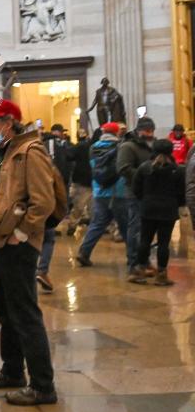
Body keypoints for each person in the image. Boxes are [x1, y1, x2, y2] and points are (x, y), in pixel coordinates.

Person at [0, 99, 56, 406]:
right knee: (6, 312)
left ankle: (43, 385)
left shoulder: (30, 152)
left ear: (8, 123)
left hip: (17, 245)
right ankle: (12, 371)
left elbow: (43, 202)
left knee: (24, 313)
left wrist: (20, 233)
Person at [76, 122, 134, 268]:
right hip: (118, 191)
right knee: (126, 226)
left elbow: (94, 167)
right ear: (116, 133)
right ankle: (133, 258)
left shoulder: (93, 148)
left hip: (99, 191)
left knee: (97, 224)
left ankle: (84, 252)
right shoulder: (121, 147)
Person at [129, 139, 184, 286]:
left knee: (145, 240)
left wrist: (145, 199)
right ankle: (161, 275)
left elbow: (136, 189)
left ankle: (139, 272)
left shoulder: (144, 168)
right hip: (168, 210)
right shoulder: (177, 170)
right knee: (164, 244)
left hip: (148, 209)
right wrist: (175, 204)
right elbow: (181, 193)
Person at [35, 124, 72, 293]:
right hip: (46, 206)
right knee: (48, 239)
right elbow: (60, 185)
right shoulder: (50, 163)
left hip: (28, 209)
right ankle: (42, 270)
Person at [117, 117, 156, 276]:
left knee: (147, 230)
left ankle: (145, 260)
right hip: (135, 193)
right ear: (139, 130)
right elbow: (123, 168)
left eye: (152, 131)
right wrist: (146, 175)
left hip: (150, 193)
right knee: (136, 229)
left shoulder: (151, 145)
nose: (150, 134)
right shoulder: (128, 146)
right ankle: (134, 262)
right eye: (147, 131)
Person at [63, 128, 93, 236]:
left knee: (78, 206)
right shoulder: (93, 145)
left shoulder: (77, 146)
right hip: (94, 180)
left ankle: (72, 225)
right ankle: (97, 227)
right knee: (94, 207)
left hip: (81, 179)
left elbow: (69, 156)